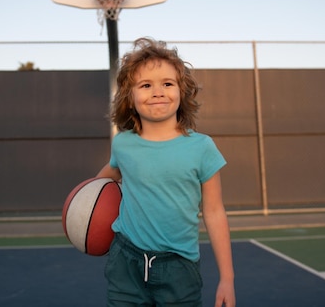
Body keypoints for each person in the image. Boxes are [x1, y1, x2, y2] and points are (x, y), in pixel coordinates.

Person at [96, 37, 235, 307]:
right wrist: (83, 209)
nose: (158, 92)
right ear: (129, 96)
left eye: (167, 84)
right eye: (146, 85)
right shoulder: (123, 144)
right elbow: (102, 182)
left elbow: (214, 211)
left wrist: (227, 278)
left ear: (181, 91)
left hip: (179, 268)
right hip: (126, 261)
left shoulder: (202, 147)